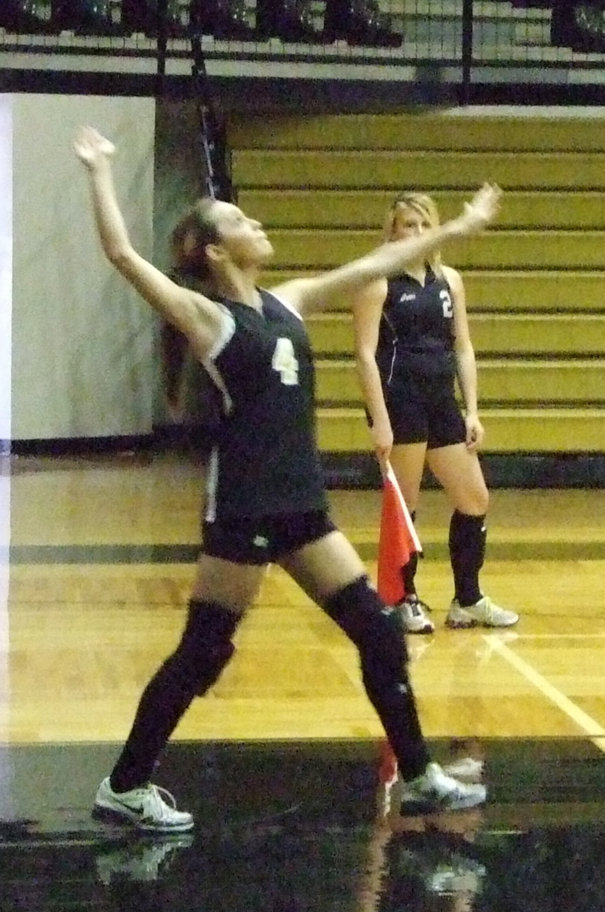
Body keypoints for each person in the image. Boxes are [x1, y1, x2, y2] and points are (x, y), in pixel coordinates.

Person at [74, 126, 500, 834]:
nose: (257, 224)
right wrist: (100, 171)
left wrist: (459, 226)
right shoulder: (211, 318)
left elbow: (378, 261)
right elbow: (122, 254)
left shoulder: (290, 301)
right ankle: (125, 784)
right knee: (203, 654)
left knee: (379, 632)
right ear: (215, 251)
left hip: (303, 505)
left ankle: (421, 774)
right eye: (240, 222)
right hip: (244, 506)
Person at [352, 191, 518, 635]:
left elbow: (462, 346)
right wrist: (380, 419)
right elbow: (365, 355)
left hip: (441, 399)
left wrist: (473, 409)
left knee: (475, 498)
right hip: (399, 399)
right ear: (393, 231)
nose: (418, 233)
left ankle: (468, 599)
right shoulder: (378, 281)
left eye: (425, 224)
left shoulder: (449, 280)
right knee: (405, 505)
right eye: (409, 225)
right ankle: (402, 597)